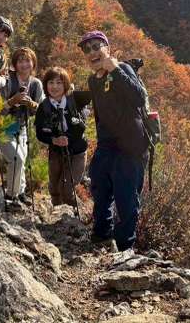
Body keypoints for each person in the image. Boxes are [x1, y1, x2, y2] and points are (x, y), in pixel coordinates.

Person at [78, 31, 148, 252]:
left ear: (107, 49)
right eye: (87, 49)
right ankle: (101, 236)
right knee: (100, 189)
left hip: (131, 146)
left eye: (96, 46)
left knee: (126, 200)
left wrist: (115, 70)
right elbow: (100, 114)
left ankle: (125, 250)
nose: (92, 52)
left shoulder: (123, 69)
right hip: (107, 145)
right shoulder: (93, 80)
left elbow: (138, 98)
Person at [35, 67, 90, 208]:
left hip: (77, 151)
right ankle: (58, 214)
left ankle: (74, 213)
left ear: (66, 84)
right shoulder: (44, 107)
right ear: (46, 85)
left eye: (59, 82)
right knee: (54, 188)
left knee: (66, 188)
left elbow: (97, 93)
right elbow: (40, 133)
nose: (54, 87)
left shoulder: (75, 98)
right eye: (51, 82)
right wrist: (54, 140)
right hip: (56, 152)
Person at [0, 47, 44, 204]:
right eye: (20, 61)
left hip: (22, 127)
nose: (24, 64)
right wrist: (13, 101)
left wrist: (31, 104)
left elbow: (41, 109)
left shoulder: (36, 84)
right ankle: (11, 195)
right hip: (2, 128)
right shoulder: (7, 81)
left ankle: (21, 192)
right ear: (15, 64)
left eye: (27, 61)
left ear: (33, 63)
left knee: (21, 160)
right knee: (16, 159)